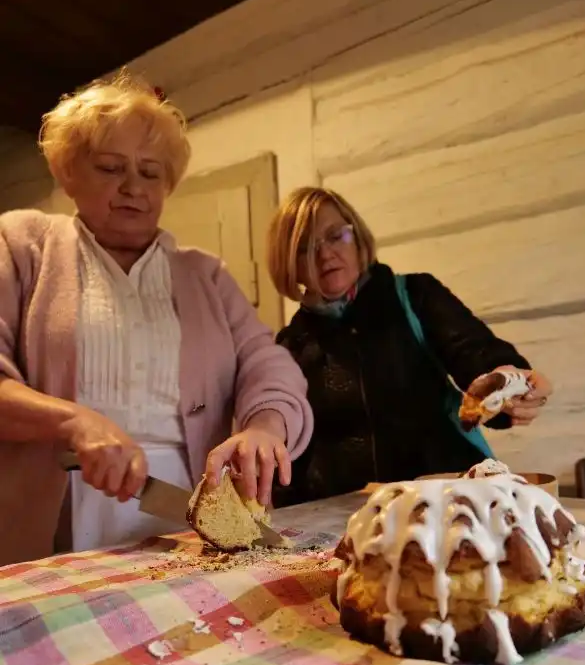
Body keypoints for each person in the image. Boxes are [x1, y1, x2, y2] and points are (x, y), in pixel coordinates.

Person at [0, 71, 312, 566]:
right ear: (68, 173)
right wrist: (73, 421)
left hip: (183, 513)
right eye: (109, 168)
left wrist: (265, 427)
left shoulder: (204, 274)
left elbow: (266, 361)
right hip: (48, 515)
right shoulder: (21, 245)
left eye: (150, 173)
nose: (133, 188)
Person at [267, 186, 552, 505]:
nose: (325, 254)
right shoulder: (290, 345)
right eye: (306, 247)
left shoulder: (416, 296)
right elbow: (290, 453)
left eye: (336, 236)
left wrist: (505, 382)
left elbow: (477, 356)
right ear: (290, 265)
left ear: (358, 237)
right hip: (349, 521)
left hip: (447, 506)